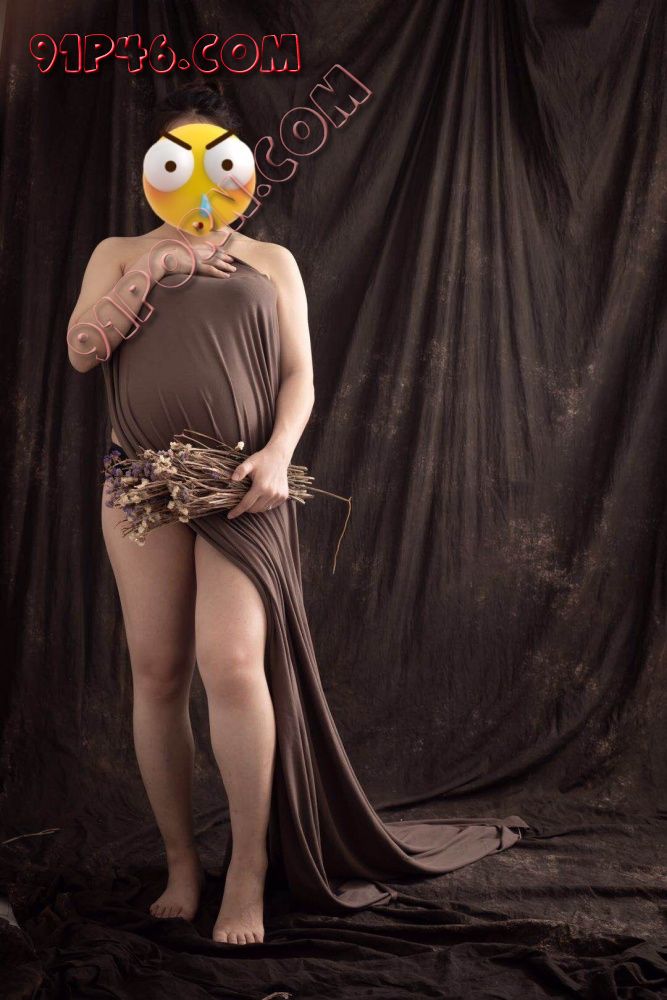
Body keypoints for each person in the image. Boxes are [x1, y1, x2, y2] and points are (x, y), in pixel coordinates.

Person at [67, 80, 528, 949]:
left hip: (243, 484)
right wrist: (150, 271)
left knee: (233, 666)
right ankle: (181, 865)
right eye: (178, 161)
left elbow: (298, 377)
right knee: (157, 673)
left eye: (216, 162)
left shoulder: (271, 260)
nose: (199, 180)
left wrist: (277, 455)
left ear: (240, 172)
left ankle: (246, 866)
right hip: (139, 483)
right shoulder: (118, 251)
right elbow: (84, 354)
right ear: (154, 171)